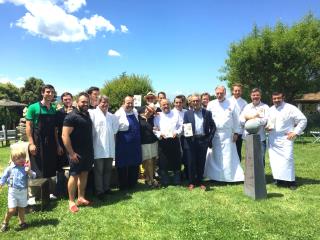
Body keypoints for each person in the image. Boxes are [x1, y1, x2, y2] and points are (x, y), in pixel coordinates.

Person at [25, 84, 63, 197]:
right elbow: (28, 127)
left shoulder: (53, 108)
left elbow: (55, 130)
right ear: (42, 93)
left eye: (52, 92)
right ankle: (35, 194)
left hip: (51, 141)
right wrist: (31, 143)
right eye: (47, 92)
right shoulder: (33, 107)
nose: (50, 94)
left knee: (50, 166)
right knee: (38, 166)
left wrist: (58, 145)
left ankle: (49, 192)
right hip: (38, 141)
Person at [267, 92, 307, 190]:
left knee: (287, 159)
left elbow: (303, 120)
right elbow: (268, 122)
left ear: (283, 98)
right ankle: (279, 179)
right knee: (275, 160)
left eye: (278, 98)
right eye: (274, 98)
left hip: (286, 138)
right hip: (273, 138)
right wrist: (267, 127)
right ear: (272, 99)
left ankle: (291, 181)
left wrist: (295, 132)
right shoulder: (270, 109)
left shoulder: (290, 108)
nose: (276, 100)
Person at [204, 86, 244, 182]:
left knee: (228, 156)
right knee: (215, 156)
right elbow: (207, 120)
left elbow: (236, 120)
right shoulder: (211, 104)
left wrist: (236, 133)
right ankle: (215, 177)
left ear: (225, 93)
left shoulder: (232, 103)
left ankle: (229, 177)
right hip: (215, 134)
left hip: (228, 134)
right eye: (217, 93)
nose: (219, 95)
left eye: (221, 93)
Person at [62, 92, 94, 213]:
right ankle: (71, 201)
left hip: (87, 152)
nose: (85, 104)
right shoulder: (71, 116)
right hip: (75, 153)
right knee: (74, 175)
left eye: (87, 101)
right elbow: (65, 135)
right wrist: (71, 153)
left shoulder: (87, 114)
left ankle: (81, 197)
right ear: (77, 102)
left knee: (84, 174)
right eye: (83, 102)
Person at [0, 145, 36, 232]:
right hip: (13, 192)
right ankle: (5, 222)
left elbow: (34, 176)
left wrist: (29, 172)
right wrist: (1, 184)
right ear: (13, 160)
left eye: (23, 157)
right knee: (12, 210)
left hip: (23, 191)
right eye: (18, 158)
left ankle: (22, 222)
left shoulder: (26, 168)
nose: (21, 160)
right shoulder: (10, 168)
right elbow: (4, 177)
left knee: (22, 208)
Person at [183, 94, 216, 190]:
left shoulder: (207, 113)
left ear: (201, 101)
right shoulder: (187, 113)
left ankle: (200, 181)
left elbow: (213, 126)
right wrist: (185, 131)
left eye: (197, 101)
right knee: (191, 162)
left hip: (203, 140)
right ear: (191, 102)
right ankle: (191, 182)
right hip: (191, 141)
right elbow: (186, 125)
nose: (195, 102)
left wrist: (209, 138)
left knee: (201, 162)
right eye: (193, 101)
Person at [89, 95, 119, 199]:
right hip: (98, 148)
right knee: (99, 171)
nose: (105, 104)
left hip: (110, 148)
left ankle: (106, 188)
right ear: (97, 103)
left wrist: (114, 148)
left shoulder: (112, 116)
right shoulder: (92, 113)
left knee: (108, 170)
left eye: (106, 102)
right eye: (102, 102)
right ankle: (99, 191)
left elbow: (115, 133)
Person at [115, 96, 142, 190]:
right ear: (123, 103)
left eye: (131, 103)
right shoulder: (118, 114)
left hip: (135, 144)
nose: (130, 105)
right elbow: (115, 131)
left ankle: (133, 183)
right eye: (128, 103)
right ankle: (123, 185)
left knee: (134, 164)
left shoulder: (135, 111)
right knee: (123, 165)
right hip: (123, 144)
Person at [154, 99, 182, 186]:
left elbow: (181, 126)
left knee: (176, 158)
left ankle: (176, 176)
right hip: (163, 140)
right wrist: (159, 134)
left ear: (170, 105)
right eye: (163, 105)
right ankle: (164, 177)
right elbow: (155, 129)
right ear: (160, 106)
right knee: (163, 159)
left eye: (167, 104)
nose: (165, 106)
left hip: (174, 139)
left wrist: (176, 132)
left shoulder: (176, 114)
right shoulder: (157, 116)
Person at [240, 88, 269, 165]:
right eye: (253, 95)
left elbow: (265, 120)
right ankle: (250, 176)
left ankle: (260, 176)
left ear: (260, 96)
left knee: (260, 158)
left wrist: (249, 118)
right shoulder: (247, 107)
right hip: (248, 137)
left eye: (257, 95)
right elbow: (242, 120)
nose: (255, 97)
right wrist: (254, 117)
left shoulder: (265, 107)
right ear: (251, 96)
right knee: (250, 158)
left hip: (260, 138)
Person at [56, 92, 75, 196]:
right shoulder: (59, 113)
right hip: (62, 144)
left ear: (72, 99)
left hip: (74, 144)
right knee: (60, 168)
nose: (67, 101)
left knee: (74, 168)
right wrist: (58, 145)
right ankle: (60, 191)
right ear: (62, 101)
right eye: (65, 100)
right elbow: (56, 130)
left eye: (69, 99)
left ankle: (74, 191)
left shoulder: (76, 111)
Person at [138, 103, 159, 187]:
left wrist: (156, 128)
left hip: (154, 141)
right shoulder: (138, 117)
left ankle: (148, 178)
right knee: (148, 161)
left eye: (151, 111)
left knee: (153, 161)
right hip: (144, 143)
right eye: (148, 109)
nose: (148, 111)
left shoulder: (153, 118)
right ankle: (152, 180)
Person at [228, 83, 247, 161]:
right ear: (232, 91)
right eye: (235, 90)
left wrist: (237, 132)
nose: (237, 92)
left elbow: (243, 118)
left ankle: (238, 171)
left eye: (239, 91)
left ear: (241, 92)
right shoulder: (227, 101)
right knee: (228, 152)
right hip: (228, 131)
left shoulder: (244, 103)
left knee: (237, 151)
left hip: (239, 132)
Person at [172, 95, 188, 180]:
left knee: (186, 156)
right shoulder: (171, 113)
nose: (178, 104)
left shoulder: (186, 112)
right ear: (174, 103)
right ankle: (177, 174)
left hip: (185, 137)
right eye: (176, 102)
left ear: (183, 103)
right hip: (175, 138)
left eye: (180, 102)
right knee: (177, 157)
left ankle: (186, 173)